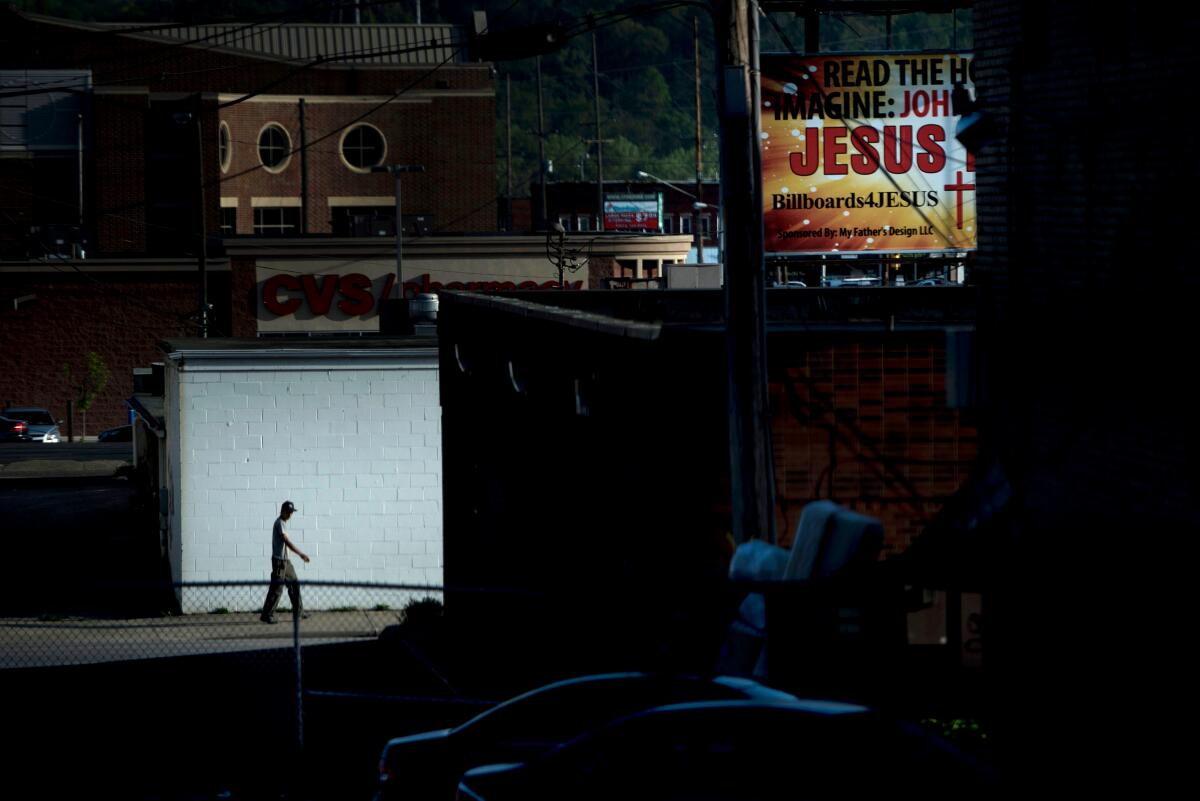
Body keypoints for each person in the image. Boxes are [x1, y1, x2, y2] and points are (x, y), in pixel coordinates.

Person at [260, 501, 311, 624]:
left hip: (286, 561)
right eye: (288, 512)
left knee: (294, 584)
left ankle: (299, 611)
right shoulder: (280, 523)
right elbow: (286, 541)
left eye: (291, 512)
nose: (290, 515)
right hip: (279, 562)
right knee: (277, 589)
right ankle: (267, 615)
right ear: (282, 511)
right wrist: (300, 554)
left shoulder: (283, 523)